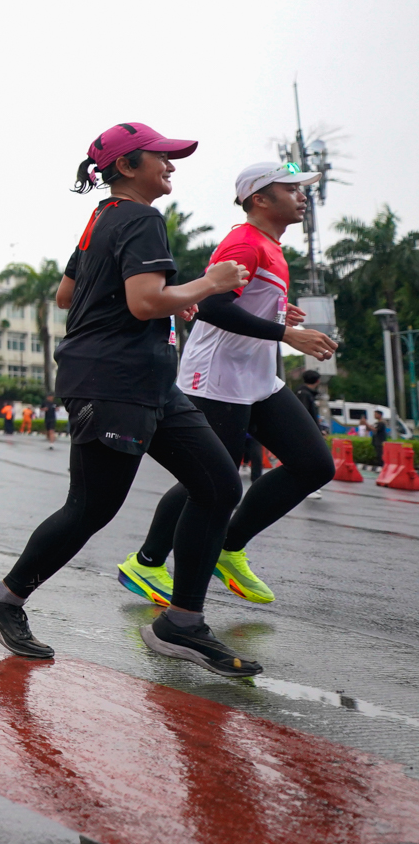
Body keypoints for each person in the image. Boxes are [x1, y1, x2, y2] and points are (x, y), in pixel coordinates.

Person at [0, 123, 260, 678]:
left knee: (219, 485)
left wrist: (169, 298)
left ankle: (183, 622)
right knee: (92, 507)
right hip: (114, 382)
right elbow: (144, 302)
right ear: (126, 166)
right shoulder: (141, 218)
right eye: (161, 157)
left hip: (149, 383)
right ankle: (3, 598)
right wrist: (208, 283)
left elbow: (67, 294)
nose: (171, 166)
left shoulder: (101, 218)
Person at [115, 162, 338, 609]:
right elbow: (213, 307)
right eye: (291, 189)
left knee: (314, 466)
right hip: (216, 377)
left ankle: (229, 545)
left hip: (256, 377)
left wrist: (279, 311)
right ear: (260, 199)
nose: (302, 196)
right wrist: (286, 333)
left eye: (302, 189)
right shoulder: (244, 241)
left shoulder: (271, 246)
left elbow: (241, 299)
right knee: (210, 480)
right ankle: (147, 562)